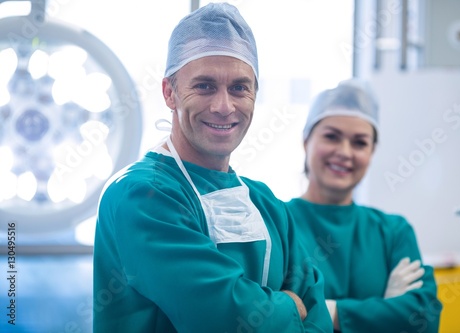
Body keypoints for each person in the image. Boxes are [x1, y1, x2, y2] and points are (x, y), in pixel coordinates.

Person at [92, 3, 332, 332]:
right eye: (204, 86)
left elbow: (316, 309)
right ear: (169, 92)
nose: (223, 106)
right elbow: (222, 318)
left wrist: (278, 311)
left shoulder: (267, 204)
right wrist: (289, 305)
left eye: (239, 88)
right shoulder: (141, 196)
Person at [286, 79, 442, 333]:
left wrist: (329, 310)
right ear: (306, 140)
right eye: (331, 136)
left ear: (371, 152)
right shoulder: (279, 222)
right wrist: (385, 310)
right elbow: (274, 319)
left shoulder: (393, 231)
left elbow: (425, 318)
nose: (345, 152)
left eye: (359, 142)